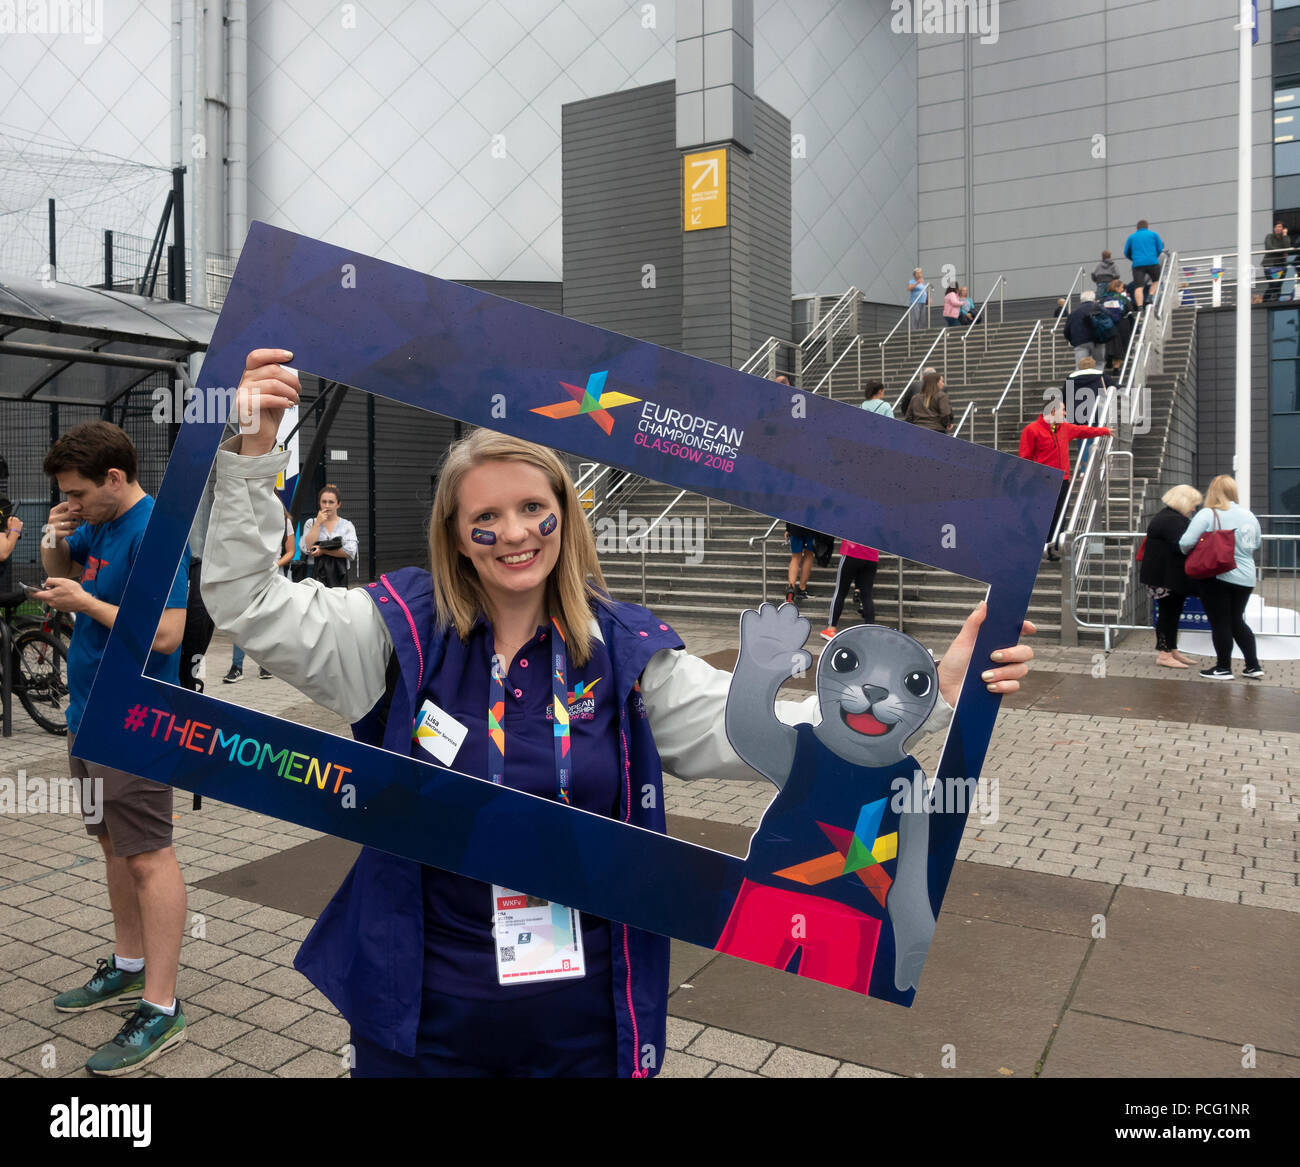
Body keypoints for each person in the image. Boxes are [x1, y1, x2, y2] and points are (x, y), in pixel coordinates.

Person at [199, 348, 1037, 1078]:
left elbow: (773, 735)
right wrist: (250, 450)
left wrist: (944, 696)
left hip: (584, 1021)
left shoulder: (628, 651)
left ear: (566, 512)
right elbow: (246, 599)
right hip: (420, 1016)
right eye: (484, 517)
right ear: (455, 536)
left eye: (533, 508)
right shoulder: (397, 632)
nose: (514, 532)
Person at [34, 421, 190, 1075]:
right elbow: (60, 570)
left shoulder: (156, 530)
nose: (74, 503)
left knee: (150, 855)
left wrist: (88, 603)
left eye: (77, 493)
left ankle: (162, 1006)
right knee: (111, 844)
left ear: (116, 480)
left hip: (138, 718)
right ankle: (128, 966)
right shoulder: (94, 522)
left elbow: (167, 635)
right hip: (87, 712)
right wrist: (52, 535)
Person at [1179, 476, 1263, 681]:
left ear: (1213, 492)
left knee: (1220, 622)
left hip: (1218, 575)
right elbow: (1256, 543)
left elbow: (1186, 542)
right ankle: (1253, 666)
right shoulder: (1249, 515)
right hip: (1246, 577)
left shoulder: (1209, 513)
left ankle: (1223, 667)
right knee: (1236, 621)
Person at [1017, 398, 1111, 560]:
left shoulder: (1063, 428)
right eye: (1063, 410)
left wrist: (1104, 431)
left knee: (1060, 514)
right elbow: (1025, 458)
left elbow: (1084, 431)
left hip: (1063, 480)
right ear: (1052, 412)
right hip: (1042, 480)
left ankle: (1053, 548)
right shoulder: (1031, 430)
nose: (1066, 413)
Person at [224, 506, 293, 681]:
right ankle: (237, 666)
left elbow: (290, 550)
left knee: (268, 621)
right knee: (243, 620)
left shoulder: (285, 521)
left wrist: (275, 566)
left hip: (273, 577)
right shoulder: (249, 518)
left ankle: (265, 665)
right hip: (249, 576)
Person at [1139, 485, 1202, 669]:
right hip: (1165, 577)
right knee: (1168, 614)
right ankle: (1164, 653)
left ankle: (1171, 649)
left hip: (1165, 576)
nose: (1193, 509)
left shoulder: (1167, 516)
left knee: (1172, 613)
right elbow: (1182, 545)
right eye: (1192, 504)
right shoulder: (1172, 521)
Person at [819, 539, 879, 641]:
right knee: (867, 595)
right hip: (871, 556)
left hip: (852, 552)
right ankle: (870, 629)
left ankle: (831, 629)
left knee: (840, 592)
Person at [302, 483, 358, 588]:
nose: (327, 506)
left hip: (338, 573)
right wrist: (318, 524)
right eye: (324, 502)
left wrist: (323, 550)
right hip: (314, 572)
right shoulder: (311, 523)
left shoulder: (347, 525)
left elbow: (350, 551)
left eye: (331, 502)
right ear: (319, 503)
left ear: (338, 504)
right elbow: (307, 547)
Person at [1062, 290, 1108, 367]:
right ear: (1094, 299)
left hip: (1080, 342)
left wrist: (1073, 341)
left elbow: (1066, 331)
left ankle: (1077, 379)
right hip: (1098, 341)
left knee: (1080, 366)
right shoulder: (1100, 309)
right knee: (1099, 363)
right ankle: (1097, 378)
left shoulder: (1074, 313)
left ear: (1081, 300)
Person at [1124, 219, 1164, 301]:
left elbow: (1126, 252)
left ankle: (1140, 307)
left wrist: (1133, 259)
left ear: (1137, 228)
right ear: (1147, 227)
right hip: (1152, 262)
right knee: (1156, 281)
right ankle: (1150, 295)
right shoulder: (1154, 235)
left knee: (1139, 287)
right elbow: (1160, 248)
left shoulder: (1131, 237)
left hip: (1137, 264)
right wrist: (1154, 256)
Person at [785, 521, 816, 602]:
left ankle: (791, 587)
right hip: (812, 526)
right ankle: (802, 589)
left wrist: (788, 529)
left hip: (795, 526)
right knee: (809, 555)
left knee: (795, 557)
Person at [1263, 221, 1292, 304]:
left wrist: (1285, 235)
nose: (1278, 228)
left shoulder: (1285, 238)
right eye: (1276, 227)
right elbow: (1269, 247)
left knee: (1279, 285)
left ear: (1283, 229)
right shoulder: (1269, 236)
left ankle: (1276, 301)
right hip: (1270, 264)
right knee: (1273, 284)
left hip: (1281, 264)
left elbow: (1287, 248)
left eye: (1280, 227)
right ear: (1274, 228)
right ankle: (1264, 301)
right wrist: (1282, 252)